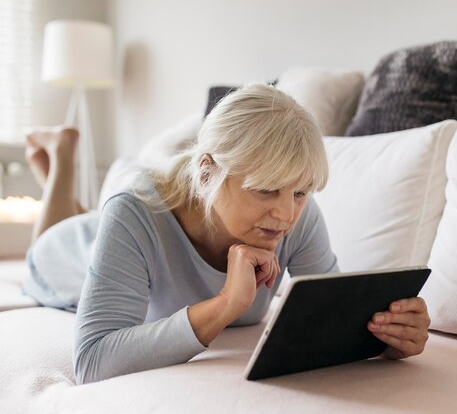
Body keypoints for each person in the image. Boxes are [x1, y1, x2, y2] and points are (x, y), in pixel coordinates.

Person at [22, 83, 431, 384]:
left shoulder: (295, 214)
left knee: (95, 219)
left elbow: (334, 315)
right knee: (55, 235)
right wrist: (224, 305)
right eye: (265, 189)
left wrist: (385, 338)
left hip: (120, 229)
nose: (287, 213)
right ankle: (61, 158)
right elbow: (92, 360)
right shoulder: (132, 212)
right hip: (65, 257)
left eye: (300, 192)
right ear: (206, 172)